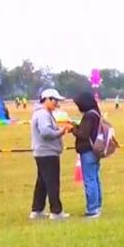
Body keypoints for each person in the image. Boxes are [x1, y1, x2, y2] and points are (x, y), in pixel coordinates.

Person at [30, 89, 71, 220]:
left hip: (42, 152)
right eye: (55, 100)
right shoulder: (43, 114)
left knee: (42, 182)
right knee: (52, 182)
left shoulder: (43, 113)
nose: (56, 103)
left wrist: (60, 130)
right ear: (47, 99)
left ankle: (37, 210)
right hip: (47, 153)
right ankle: (56, 212)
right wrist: (61, 132)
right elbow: (46, 132)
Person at [70, 92, 104, 218]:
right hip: (95, 151)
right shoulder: (95, 113)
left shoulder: (89, 116)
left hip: (88, 151)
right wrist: (76, 126)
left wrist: (72, 129)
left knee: (89, 180)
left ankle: (92, 209)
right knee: (95, 178)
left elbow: (84, 134)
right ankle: (97, 205)